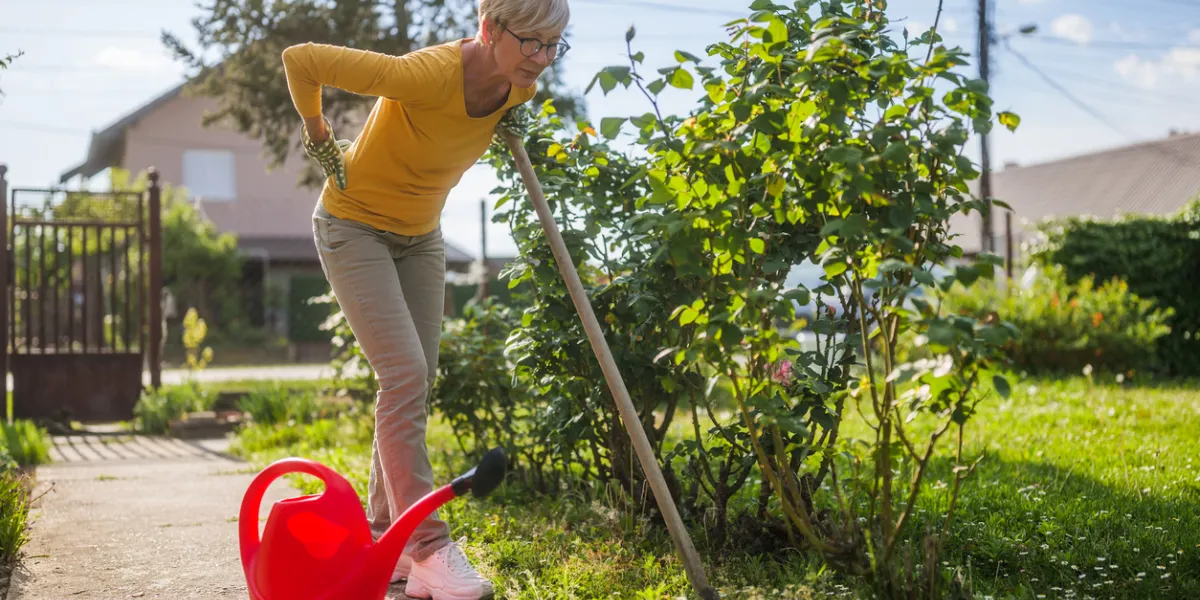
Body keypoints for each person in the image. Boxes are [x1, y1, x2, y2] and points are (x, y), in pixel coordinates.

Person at [279, 0, 570, 598]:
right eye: (532, 43)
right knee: (404, 375)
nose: (542, 60)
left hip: (421, 238)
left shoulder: (518, 90)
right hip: (353, 226)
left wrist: (507, 123)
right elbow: (301, 60)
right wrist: (319, 135)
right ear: (488, 29)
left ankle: (388, 543)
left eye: (554, 45)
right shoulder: (426, 73)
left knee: (417, 379)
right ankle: (432, 547)